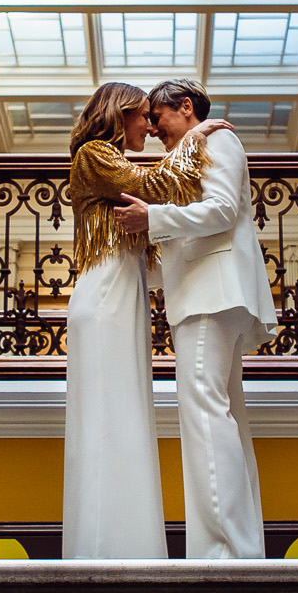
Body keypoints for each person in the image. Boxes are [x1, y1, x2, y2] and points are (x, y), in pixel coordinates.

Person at [60, 82, 230, 559]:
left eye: (154, 119)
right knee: (108, 420)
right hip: (104, 302)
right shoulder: (95, 154)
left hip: (123, 299)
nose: (150, 127)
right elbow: (156, 188)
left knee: (125, 418)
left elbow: (153, 236)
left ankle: (125, 548)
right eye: (142, 117)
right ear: (119, 114)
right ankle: (102, 553)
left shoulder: (107, 163)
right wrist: (195, 140)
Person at [115, 80, 278, 559]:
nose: (152, 129)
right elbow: (191, 231)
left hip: (213, 292)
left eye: (158, 118)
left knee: (204, 417)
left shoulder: (216, 139)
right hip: (206, 290)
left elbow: (224, 210)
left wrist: (155, 219)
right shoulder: (189, 149)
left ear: (186, 107)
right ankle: (240, 546)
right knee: (223, 419)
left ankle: (224, 551)